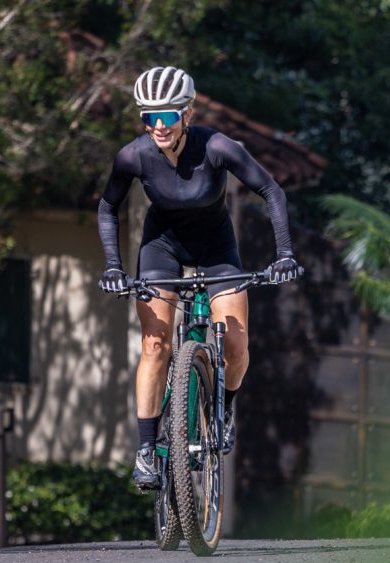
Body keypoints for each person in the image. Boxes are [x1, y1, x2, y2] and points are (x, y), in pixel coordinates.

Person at [97, 66, 302, 490]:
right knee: (155, 345)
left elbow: (272, 192)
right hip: (162, 246)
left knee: (236, 342)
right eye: (148, 117)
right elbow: (107, 208)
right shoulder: (133, 156)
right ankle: (147, 450)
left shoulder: (219, 147)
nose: (157, 126)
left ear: (187, 114)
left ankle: (224, 407)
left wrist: (285, 255)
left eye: (167, 116)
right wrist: (114, 267)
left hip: (215, 247)